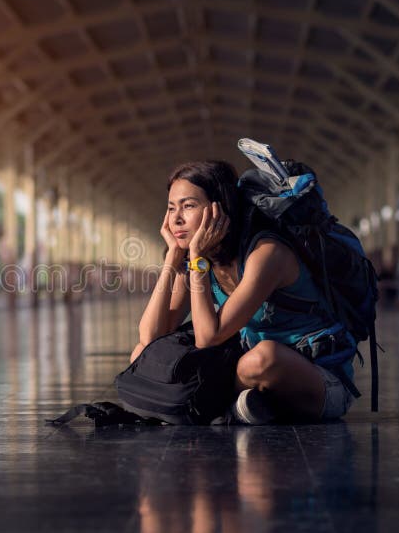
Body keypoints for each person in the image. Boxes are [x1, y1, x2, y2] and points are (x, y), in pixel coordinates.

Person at [129, 161, 357, 424]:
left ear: (219, 209)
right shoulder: (197, 258)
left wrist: (197, 258)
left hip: (319, 382)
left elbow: (208, 337)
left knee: (263, 358)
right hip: (244, 373)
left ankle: (213, 407)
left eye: (188, 206)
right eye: (171, 208)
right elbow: (150, 337)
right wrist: (172, 257)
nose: (176, 218)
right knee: (139, 354)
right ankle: (240, 407)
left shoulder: (267, 254)